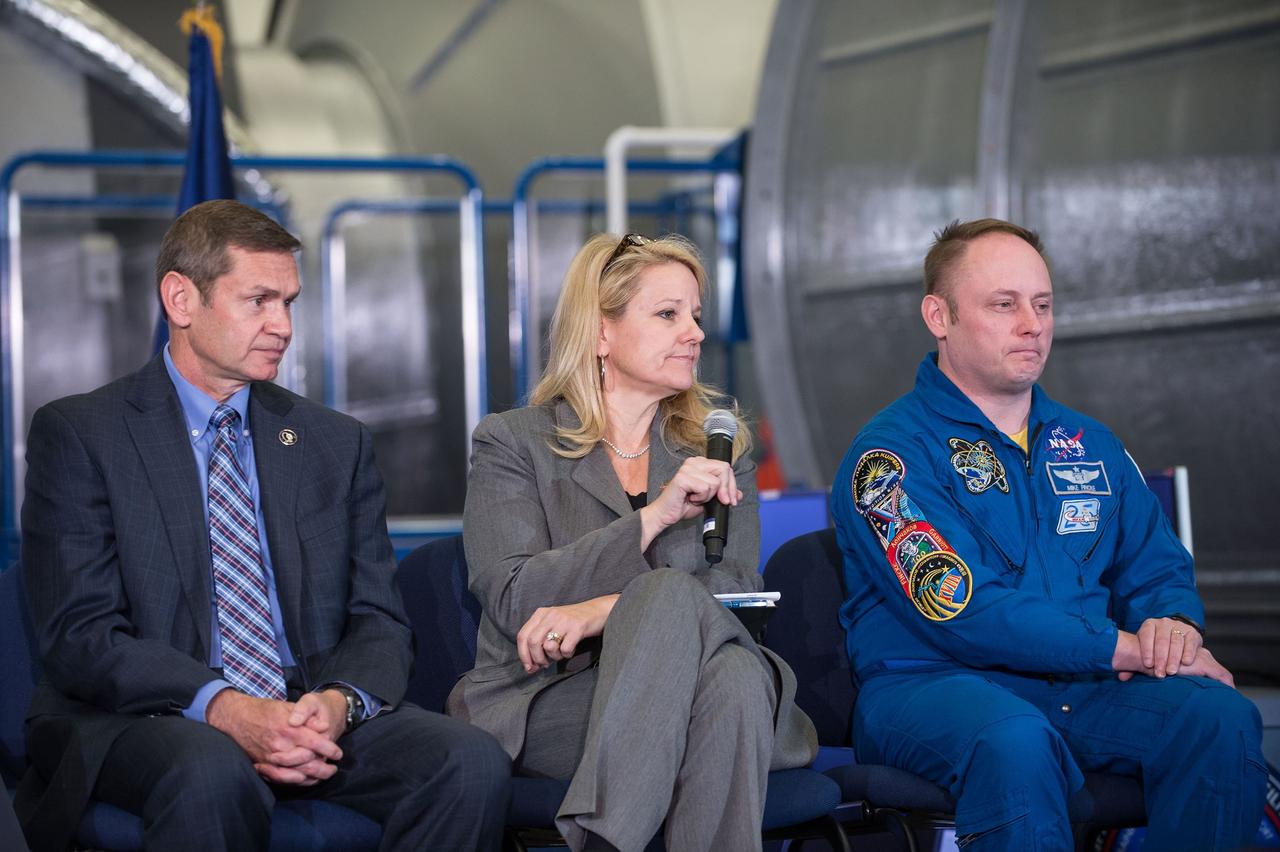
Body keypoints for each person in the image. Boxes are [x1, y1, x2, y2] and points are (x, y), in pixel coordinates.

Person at [17, 200, 510, 851]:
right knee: (211, 769)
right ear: (181, 299)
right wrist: (224, 707)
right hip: (148, 718)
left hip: (304, 711)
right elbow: (81, 635)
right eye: (258, 301)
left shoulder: (334, 443)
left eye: (290, 302)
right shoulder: (83, 435)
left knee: (468, 763)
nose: (282, 325)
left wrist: (337, 705)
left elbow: (378, 619)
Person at [830, 218, 1266, 851]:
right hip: (931, 686)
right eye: (1003, 306)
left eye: (1042, 304)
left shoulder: (1091, 443)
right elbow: (963, 606)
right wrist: (1128, 650)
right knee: (1013, 739)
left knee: (1218, 718)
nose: (1032, 325)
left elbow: (1155, 566)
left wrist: (1172, 628)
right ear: (939, 315)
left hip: (1081, 686)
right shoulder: (889, 459)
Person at [448, 233, 817, 852]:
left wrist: (604, 608)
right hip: (555, 695)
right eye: (668, 314)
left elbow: (736, 591)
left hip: (702, 674)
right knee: (724, 679)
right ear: (600, 334)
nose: (694, 333)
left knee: (726, 673)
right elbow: (514, 597)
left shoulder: (722, 448)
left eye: (696, 316)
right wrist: (651, 518)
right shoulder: (514, 443)